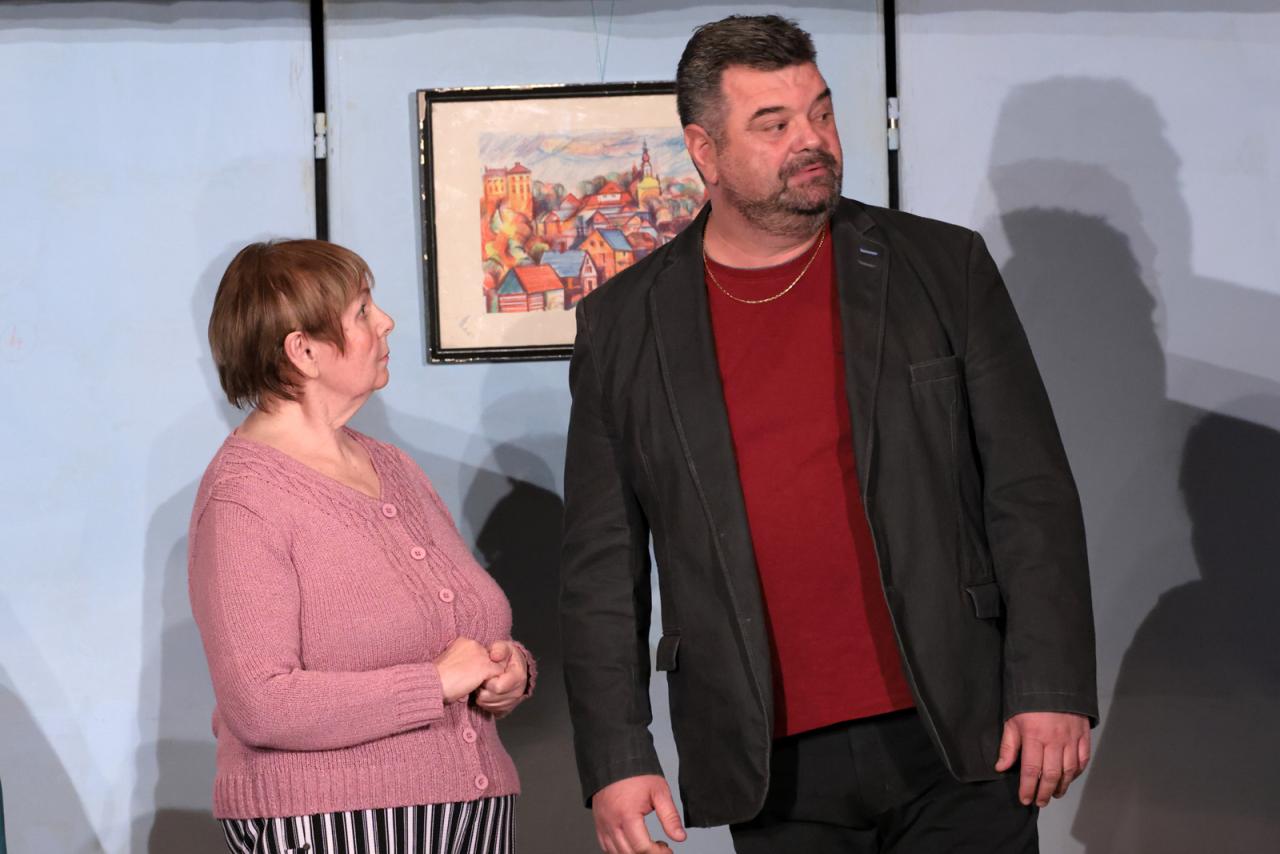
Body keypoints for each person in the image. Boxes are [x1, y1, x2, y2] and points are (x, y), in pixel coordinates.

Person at [559, 15, 1096, 854]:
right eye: (772, 125)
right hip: (766, 760)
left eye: (820, 112)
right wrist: (617, 756)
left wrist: (1052, 684)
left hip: (959, 730)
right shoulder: (623, 326)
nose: (811, 140)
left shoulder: (941, 268)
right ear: (704, 151)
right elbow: (601, 569)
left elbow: (1030, 492)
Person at [190, 240, 534, 854]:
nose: (387, 322)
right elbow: (260, 702)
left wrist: (507, 672)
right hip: (331, 824)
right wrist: (434, 683)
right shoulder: (243, 500)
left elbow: (461, 625)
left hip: (470, 815)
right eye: (363, 312)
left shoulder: (391, 467)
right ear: (304, 351)